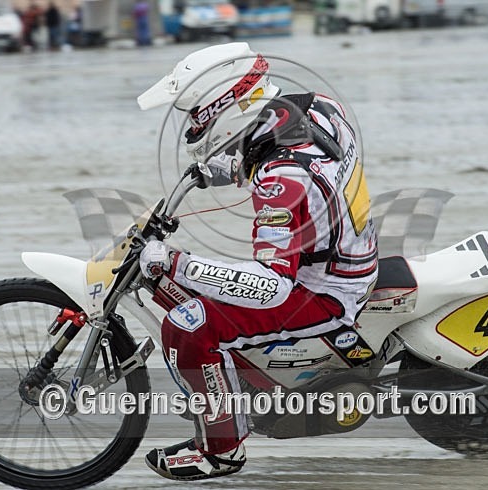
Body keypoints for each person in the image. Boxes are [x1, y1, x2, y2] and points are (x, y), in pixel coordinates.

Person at [136, 42, 378, 481]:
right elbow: (303, 154)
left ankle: (221, 451)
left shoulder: (281, 184)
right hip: (349, 254)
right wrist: (236, 167)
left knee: (188, 324)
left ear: (225, 108)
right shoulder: (317, 107)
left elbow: (273, 286)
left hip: (323, 291)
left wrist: (177, 264)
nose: (191, 128)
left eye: (196, 117)